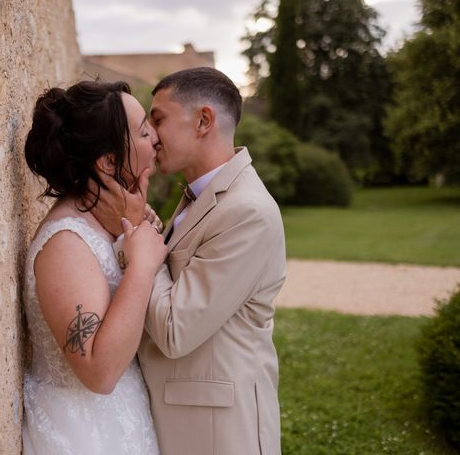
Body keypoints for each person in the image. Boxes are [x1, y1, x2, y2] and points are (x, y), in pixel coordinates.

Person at [91, 67, 287, 455]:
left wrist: (136, 242)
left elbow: (175, 330)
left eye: (158, 119)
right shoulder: (202, 195)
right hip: (182, 419)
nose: (151, 135)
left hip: (218, 433)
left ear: (203, 121)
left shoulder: (248, 212)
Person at [21, 80, 167, 454]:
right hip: (83, 432)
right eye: (143, 131)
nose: (155, 139)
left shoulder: (108, 221)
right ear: (108, 161)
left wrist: (133, 227)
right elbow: (99, 373)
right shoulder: (66, 244)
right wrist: (141, 266)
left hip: (121, 418)